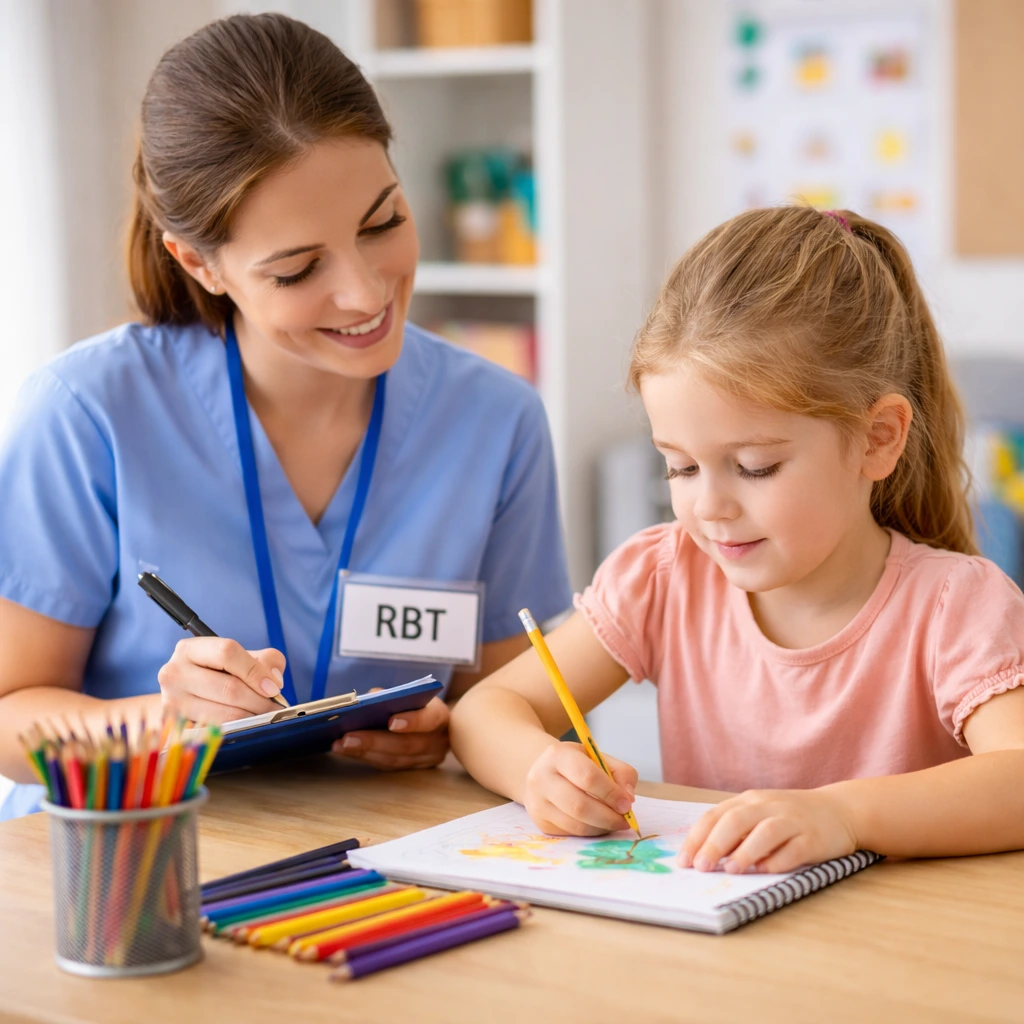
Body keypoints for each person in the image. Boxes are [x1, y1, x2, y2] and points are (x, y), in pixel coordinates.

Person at [0, 13, 570, 818]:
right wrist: (167, 723)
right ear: (199, 263)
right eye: (299, 269)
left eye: (384, 223)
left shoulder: (496, 420)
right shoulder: (87, 415)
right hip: (131, 866)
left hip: (375, 864)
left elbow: (510, 704)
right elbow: (11, 715)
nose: (368, 294)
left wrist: (446, 731)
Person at [450, 206, 1024, 874]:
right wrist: (537, 769)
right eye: (680, 466)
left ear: (877, 439)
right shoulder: (664, 576)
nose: (710, 506)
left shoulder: (958, 605)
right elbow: (485, 709)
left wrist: (843, 815)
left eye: (755, 468)